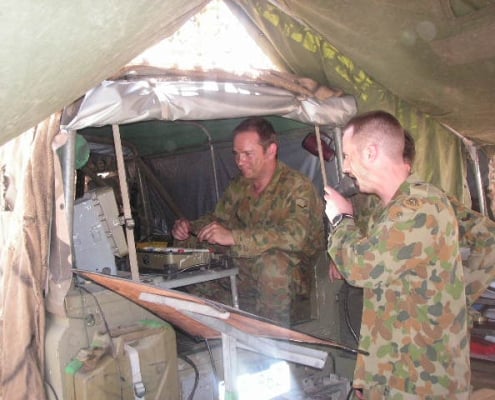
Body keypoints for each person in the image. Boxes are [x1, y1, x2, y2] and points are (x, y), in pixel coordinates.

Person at [324, 110, 470, 399]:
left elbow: (361, 269)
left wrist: (341, 219)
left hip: (423, 381)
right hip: (395, 373)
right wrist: (369, 376)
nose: (346, 167)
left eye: (348, 156)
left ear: (371, 152)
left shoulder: (419, 207)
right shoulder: (391, 211)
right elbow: (383, 301)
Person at [172, 117, 325, 327]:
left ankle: (271, 336)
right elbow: (218, 219)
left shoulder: (297, 187)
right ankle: (226, 320)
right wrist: (189, 227)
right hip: (249, 262)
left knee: (272, 264)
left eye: (247, 154)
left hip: (295, 272)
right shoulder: (240, 185)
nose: (239, 161)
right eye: (236, 154)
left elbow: (295, 237)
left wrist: (234, 237)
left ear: (271, 151)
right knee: (188, 248)